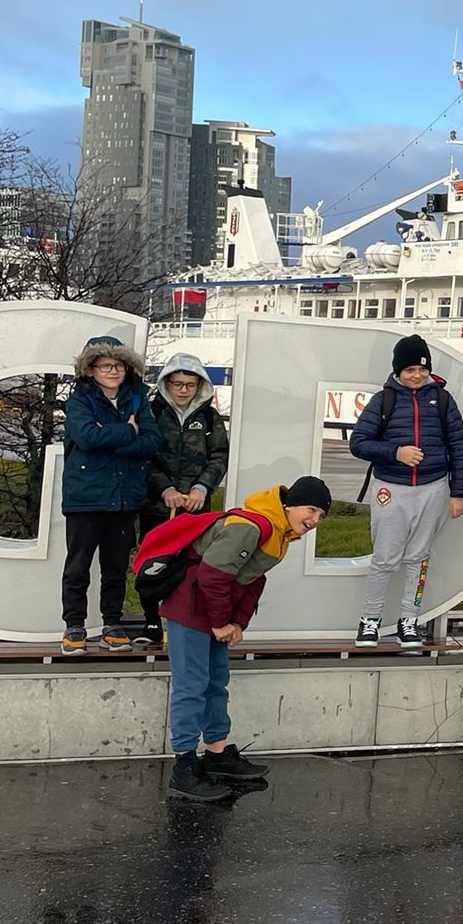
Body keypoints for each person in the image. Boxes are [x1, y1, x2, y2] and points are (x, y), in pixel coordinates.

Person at [153, 475, 329, 803]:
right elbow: (212, 575)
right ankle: (184, 769)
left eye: (321, 516)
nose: (315, 520)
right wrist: (222, 623)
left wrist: (237, 623)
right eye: (311, 509)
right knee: (191, 687)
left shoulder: (280, 534)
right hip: (190, 610)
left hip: (213, 613)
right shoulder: (252, 526)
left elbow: (252, 581)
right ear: (289, 505)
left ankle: (217, 756)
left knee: (216, 683)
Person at [348, 334, 463, 651]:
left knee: (419, 557)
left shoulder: (443, 401)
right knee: (385, 558)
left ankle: (409, 620)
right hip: (391, 488)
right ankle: (370, 620)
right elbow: (358, 443)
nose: (416, 375)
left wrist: (458, 492)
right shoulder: (382, 401)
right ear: (397, 371)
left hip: (432, 488)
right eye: (409, 370)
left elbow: (459, 448)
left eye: (421, 368)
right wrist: (396, 452)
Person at [115, 352, 231, 651]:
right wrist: (164, 488)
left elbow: (219, 457)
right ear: (167, 383)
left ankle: (187, 623)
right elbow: (144, 455)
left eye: (190, 385)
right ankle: (152, 621)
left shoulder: (209, 417)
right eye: (177, 384)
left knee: (192, 565)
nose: (183, 390)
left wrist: (202, 488)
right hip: (156, 505)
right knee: (153, 563)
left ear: (199, 386)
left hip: (196, 509)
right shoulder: (151, 413)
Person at [61, 335, 162, 656]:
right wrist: (128, 432)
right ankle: (74, 626)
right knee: (77, 566)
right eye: (105, 365)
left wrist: (112, 437)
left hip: (125, 496)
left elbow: (151, 441)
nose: (113, 371)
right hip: (85, 497)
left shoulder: (138, 399)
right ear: (90, 369)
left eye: (118, 365)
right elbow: (87, 437)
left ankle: (112, 623)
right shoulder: (78, 401)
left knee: (116, 566)